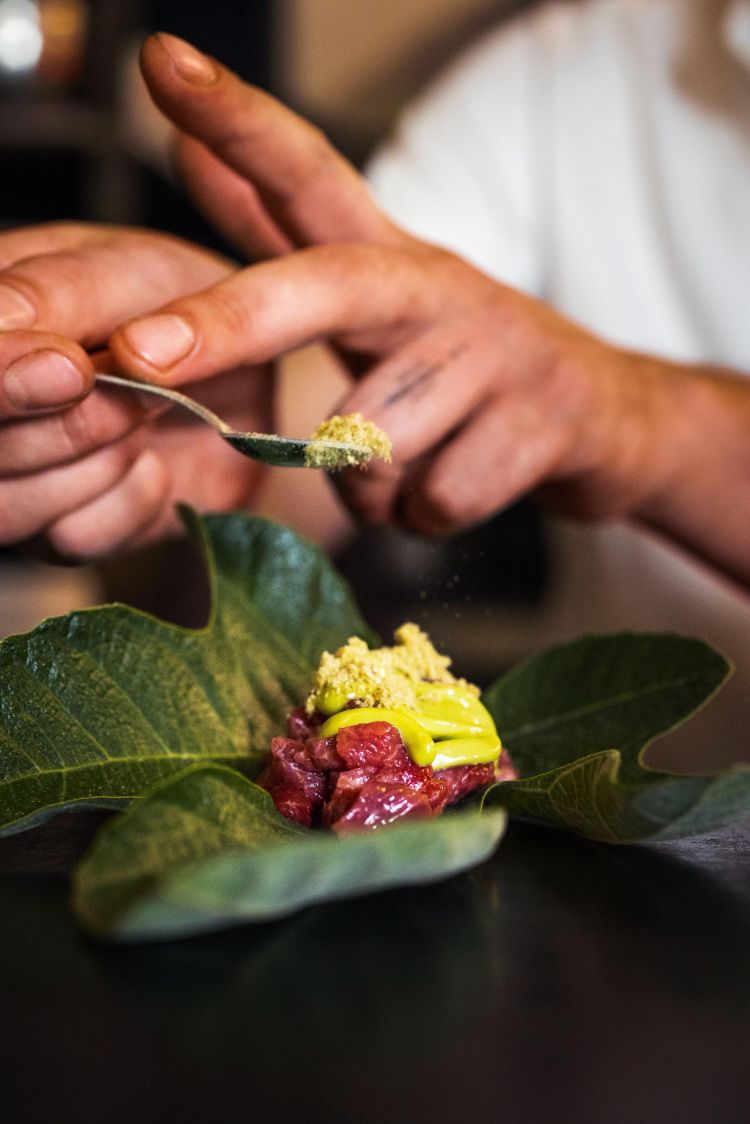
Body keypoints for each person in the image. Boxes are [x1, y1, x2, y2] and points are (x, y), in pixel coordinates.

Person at [0, 15, 749, 763]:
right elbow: (354, 395)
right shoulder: (561, 73)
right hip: (620, 826)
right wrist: (178, 408)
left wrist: (640, 417)